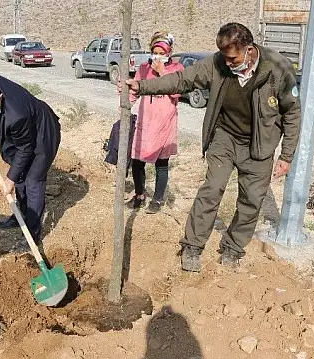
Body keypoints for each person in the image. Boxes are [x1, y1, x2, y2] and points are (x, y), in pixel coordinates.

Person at [122, 22, 301, 271]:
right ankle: (193, 246)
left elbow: (292, 113)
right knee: (211, 189)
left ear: (249, 49)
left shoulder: (277, 68)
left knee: (251, 200)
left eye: (232, 58)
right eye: (224, 58)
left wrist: (287, 155)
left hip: (260, 144)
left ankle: (233, 248)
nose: (227, 63)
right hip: (225, 137)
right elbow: (183, 80)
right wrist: (142, 86)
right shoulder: (217, 63)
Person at [0, 68, 61, 250]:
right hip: (19, 134)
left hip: (42, 134)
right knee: (19, 175)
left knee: (33, 180)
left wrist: (9, 179)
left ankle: (32, 235)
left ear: (0, 97)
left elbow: (25, 149)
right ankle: (20, 216)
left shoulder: (17, 115)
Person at [127, 31, 184, 213]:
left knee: (161, 162)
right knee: (137, 160)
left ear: (169, 53)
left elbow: (177, 93)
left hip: (164, 122)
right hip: (146, 119)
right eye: (156, 52)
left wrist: (163, 73)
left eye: (162, 53)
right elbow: (134, 90)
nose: (158, 56)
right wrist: (126, 101)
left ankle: (158, 199)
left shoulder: (177, 69)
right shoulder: (144, 68)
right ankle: (139, 194)